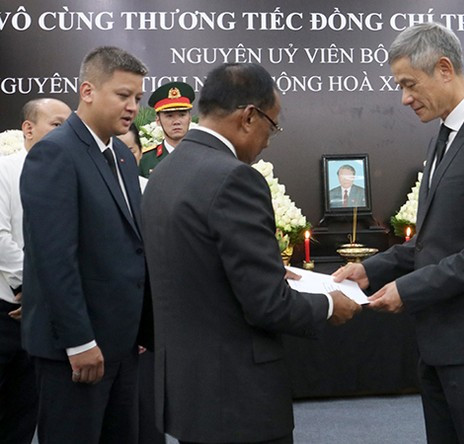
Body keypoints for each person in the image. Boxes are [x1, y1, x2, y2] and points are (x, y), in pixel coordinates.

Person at [141, 63, 361, 444]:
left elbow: (193, 267)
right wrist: (329, 304)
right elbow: (267, 306)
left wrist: (265, 269)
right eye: (271, 127)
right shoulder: (235, 178)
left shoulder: (163, 172)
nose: (269, 141)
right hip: (238, 399)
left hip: (189, 392)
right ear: (248, 116)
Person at [333, 23, 464, 444]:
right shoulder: (445, 133)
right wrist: (371, 270)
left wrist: (411, 288)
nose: (404, 98)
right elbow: (436, 237)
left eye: (409, 84)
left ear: (444, 68)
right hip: (441, 338)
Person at [19, 46, 151, 443]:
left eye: (138, 98)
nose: (132, 107)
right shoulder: (54, 153)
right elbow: (54, 258)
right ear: (88, 91)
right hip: (76, 352)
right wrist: (79, 342)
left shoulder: (124, 159)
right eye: (123, 95)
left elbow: (131, 246)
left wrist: (141, 329)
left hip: (123, 346)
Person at [0, 97, 70, 444]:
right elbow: (0, 237)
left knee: (26, 413)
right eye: (57, 125)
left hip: (44, 313)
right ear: (28, 129)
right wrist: (31, 285)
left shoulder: (68, 174)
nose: (66, 133)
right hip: (7, 307)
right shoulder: (4, 170)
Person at [139, 81, 194, 177]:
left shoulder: (204, 156)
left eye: (182, 115)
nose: (176, 121)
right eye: (169, 116)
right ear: (158, 120)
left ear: (190, 118)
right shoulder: (145, 160)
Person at [117, 123, 149, 192]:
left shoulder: (150, 188)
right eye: (118, 151)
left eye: (130, 151)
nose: (124, 158)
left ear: (140, 152)